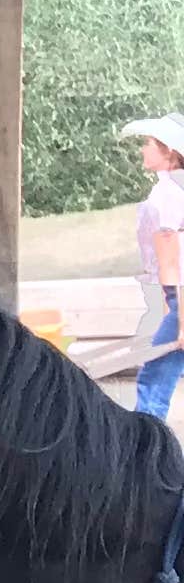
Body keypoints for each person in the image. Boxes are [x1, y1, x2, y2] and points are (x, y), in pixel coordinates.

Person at [129, 116, 184, 426]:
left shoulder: (168, 194)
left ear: (169, 153)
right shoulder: (172, 189)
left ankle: (146, 452)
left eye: (148, 144)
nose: (142, 150)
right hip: (175, 295)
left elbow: (174, 262)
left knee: (153, 381)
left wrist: (180, 320)